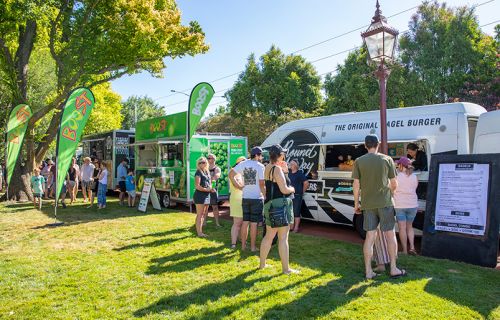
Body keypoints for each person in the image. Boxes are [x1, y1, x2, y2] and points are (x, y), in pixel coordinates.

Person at [352, 134, 406, 280]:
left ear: (365, 145)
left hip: (368, 204)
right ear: (379, 144)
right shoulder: (386, 159)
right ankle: (393, 268)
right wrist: (391, 193)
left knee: (370, 237)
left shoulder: (359, 161)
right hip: (385, 203)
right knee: (390, 235)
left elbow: (356, 185)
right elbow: (394, 184)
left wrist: (357, 204)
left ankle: (369, 271)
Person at [260, 144, 298, 274]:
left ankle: (262, 264)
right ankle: (286, 269)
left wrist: (285, 171)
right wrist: (293, 189)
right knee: (283, 238)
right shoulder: (277, 169)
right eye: (283, 154)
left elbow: (271, 185)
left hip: (270, 204)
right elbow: (284, 189)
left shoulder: (267, 167)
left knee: (268, 236)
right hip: (280, 204)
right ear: (280, 155)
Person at [229, 146, 266, 252]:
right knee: (253, 224)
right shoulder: (260, 166)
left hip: (245, 197)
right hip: (256, 198)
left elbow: (231, 174)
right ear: (257, 155)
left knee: (245, 222)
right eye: (261, 155)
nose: (261, 157)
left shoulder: (243, 164)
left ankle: (243, 246)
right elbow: (262, 184)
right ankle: (253, 247)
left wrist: (238, 186)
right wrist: (265, 195)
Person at [393, 156, 419, 255]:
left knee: (402, 228)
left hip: (400, 205)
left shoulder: (397, 176)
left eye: (398, 164)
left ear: (401, 165)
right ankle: (412, 248)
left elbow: (393, 189)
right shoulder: (414, 176)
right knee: (410, 227)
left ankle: (404, 250)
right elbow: (415, 188)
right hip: (413, 205)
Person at [193, 157, 215, 237]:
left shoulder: (207, 171)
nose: (202, 164)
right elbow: (197, 186)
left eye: (203, 162)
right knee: (200, 214)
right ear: (198, 164)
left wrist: (211, 189)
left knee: (203, 214)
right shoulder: (198, 172)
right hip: (200, 195)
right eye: (200, 163)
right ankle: (199, 233)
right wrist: (207, 189)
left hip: (206, 195)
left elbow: (209, 183)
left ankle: (200, 231)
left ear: (206, 163)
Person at [229, 156, 247, 249]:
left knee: (245, 222)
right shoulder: (234, 173)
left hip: (245, 199)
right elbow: (239, 186)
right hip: (237, 200)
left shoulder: (244, 173)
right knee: (237, 223)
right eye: (243, 162)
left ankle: (242, 240)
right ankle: (233, 243)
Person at [288, 160, 309, 233]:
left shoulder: (299, 174)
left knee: (296, 212)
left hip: (297, 196)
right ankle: (291, 227)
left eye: (292, 164)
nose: (290, 164)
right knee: (290, 212)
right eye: (290, 163)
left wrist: (301, 192)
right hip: (289, 195)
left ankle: (296, 228)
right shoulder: (288, 173)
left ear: (296, 166)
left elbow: (306, 183)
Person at [206, 153, 222, 227]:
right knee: (205, 207)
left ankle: (217, 223)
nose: (208, 159)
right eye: (208, 158)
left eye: (210, 158)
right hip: (205, 190)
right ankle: (204, 222)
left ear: (214, 159)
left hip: (213, 190)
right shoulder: (205, 168)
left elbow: (215, 178)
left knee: (215, 207)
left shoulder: (217, 168)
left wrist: (211, 185)